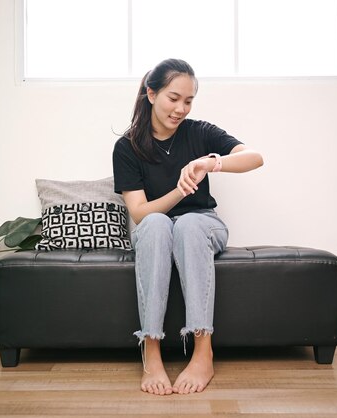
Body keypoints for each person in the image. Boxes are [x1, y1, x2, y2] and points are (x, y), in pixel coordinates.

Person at [112, 58, 264, 396]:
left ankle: (203, 352)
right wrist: (179, 191)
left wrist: (208, 162)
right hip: (157, 227)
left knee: (189, 225)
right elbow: (139, 212)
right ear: (151, 94)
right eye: (173, 97)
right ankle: (151, 352)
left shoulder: (199, 132)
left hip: (202, 226)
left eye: (189, 100)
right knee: (154, 225)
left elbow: (255, 157)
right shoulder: (127, 148)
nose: (181, 108)